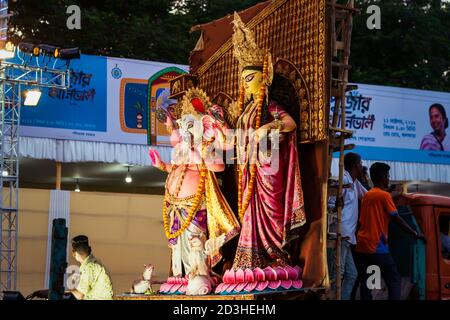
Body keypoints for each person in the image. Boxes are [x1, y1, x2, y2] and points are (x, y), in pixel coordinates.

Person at [215, 13, 306, 294]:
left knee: (268, 211)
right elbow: (235, 140)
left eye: (251, 78)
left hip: (268, 169)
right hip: (247, 170)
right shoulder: (243, 112)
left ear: (263, 79)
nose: (246, 84)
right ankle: (248, 256)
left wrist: (267, 127)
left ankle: (272, 254)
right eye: (243, 80)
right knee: (248, 213)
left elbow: (290, 124)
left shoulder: (270, 107)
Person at [149, 88, 240, 292]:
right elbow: (176, 167)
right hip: (175, 204)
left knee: (195, 240)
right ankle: (180, 276)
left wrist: (198, 156)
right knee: (177, 243)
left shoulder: (204, 147)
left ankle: (200, 274)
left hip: (194, 202)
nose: (182, 132)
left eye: (187, 127)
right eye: (182, 127)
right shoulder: (183, 149)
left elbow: (219, 167)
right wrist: (162, 165)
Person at [355, 162, 426, 300]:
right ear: (382, 177)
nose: (389, 178)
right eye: (387, 175)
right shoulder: (384, 196)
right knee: (394, 279)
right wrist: (415, 233)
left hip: (363, 246)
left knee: (369, 283)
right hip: (377, 246)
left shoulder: (368, 195)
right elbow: (396, 218)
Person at [327, 152, 367, 300]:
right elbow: (330, 202)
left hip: (347, 236)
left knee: (351, 274)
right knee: (339, 273)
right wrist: (336, 204)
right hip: (340, 233)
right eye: (361, 163)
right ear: (356, 165)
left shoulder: (354, 183)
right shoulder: (343, 180)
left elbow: (368, 196)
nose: (362, 166)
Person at [69, 235, 114, 300]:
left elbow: (79, 295)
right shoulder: (95, 263)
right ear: (89, 248)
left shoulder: (89, 267)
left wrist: (66, 292)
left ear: (73, 253)